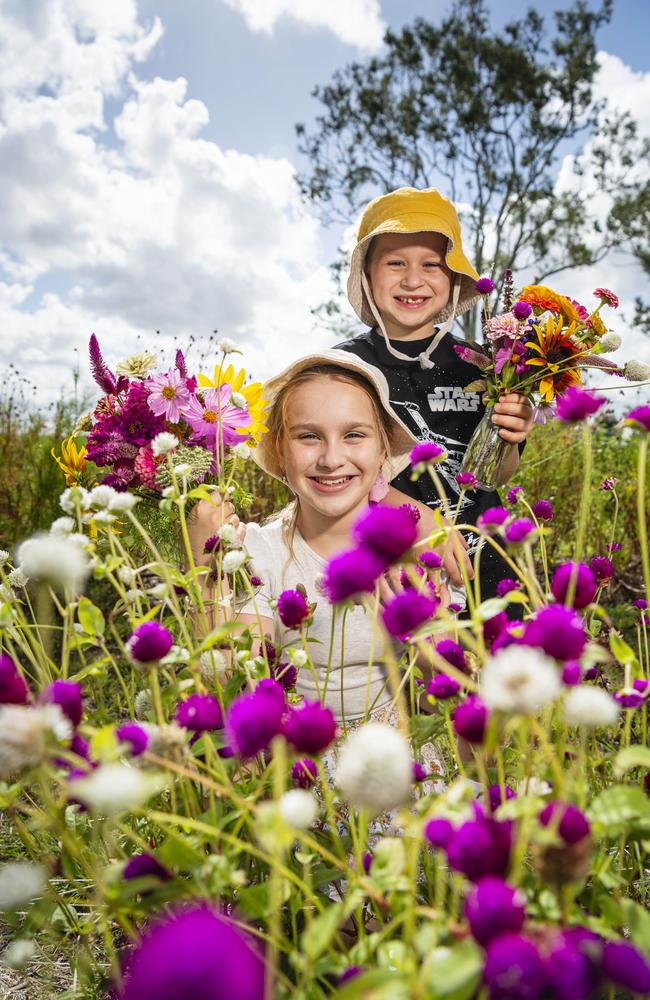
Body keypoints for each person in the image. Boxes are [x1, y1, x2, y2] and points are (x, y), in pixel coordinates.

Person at [188, 351, 461, 731]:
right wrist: (206, 564)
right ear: (281, 450)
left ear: (383, 449)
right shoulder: (258, 553)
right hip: (297, 761)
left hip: (400, 756)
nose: (332, 459)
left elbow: (455, 701)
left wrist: (430, 647)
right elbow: (233, 683)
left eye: (354, 435)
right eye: (309, 437)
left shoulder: (413, 555)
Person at [335, 187, 535, 601]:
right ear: (367, 275)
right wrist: (422, 522)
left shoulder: (482, 363)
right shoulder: (345, 369)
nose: (413, 279)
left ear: (453, 278)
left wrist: (512, 431)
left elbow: (494, 475)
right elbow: (339, 475)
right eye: (394, 263)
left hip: (487, 565)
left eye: (431, 264)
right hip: (394, 571)